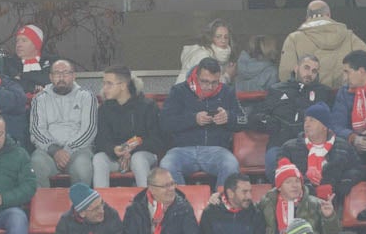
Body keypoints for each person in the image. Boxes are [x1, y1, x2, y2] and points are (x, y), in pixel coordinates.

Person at [160, 57, 245, 187]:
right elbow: (165, 122)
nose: (209, 87)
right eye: (204, 82)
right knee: (167, 165)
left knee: (231, 165)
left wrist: (228, 117)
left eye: (214, 82)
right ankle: (181, 204)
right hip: (182, 150)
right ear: (196, 75)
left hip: (217, 150)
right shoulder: (179, 91)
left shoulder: (227, 91)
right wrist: (193, 119)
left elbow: (243, 120)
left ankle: (221, 205)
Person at [254, 54, 334, 179]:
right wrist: (272, 124)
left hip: (310, 145)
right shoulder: (277, 89)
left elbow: (329, 122)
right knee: (273, 168)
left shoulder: (323, 93)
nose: (309, 74)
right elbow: (258, 115)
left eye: (314, 71)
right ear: (296, 68)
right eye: (306, 68)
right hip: (279, 144)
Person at [28, 60, 99, 187]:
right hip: (48, 151)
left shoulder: (86, 96)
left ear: (73, 76)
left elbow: (89, 130)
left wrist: (67, 150)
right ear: (50, 77)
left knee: (82, 169)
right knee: (36, 165)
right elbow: (37, 130)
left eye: (66, 73)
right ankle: (44, 207)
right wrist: (55, 151)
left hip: (79, 150)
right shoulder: (39, 99)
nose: (61, 77)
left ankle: (80, 207)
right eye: (57, 73)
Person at [93, 66, 166, 188]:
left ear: (123, 85)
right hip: (116, 157)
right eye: (104, 83)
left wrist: (131, 150)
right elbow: (100, 141)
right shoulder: (104, 109)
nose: (104, 88)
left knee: (138, 159)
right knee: (99, 158)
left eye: (109, 84)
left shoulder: (147, 106)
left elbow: (157, 141)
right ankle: (101, 203)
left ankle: (147, 202)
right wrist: (114, 150)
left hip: (143, 155)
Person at [279, 0, 366, 89]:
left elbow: (285, 74)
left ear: (307, 17)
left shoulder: (294, 39)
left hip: (310, 97)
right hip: (343, 95)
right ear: (328, 15)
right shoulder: (349, 37)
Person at [122, 168, 202, 234]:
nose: (171, 189)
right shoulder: (135, 209)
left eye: (172, 184)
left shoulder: (184, 209)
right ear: (152, 189)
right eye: (165, 186)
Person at [200, 174, 268, 234]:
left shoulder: (256, 215)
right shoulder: (210, 213)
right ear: (230, 193)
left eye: (250, 191)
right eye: (244, 192)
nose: (249, 196)